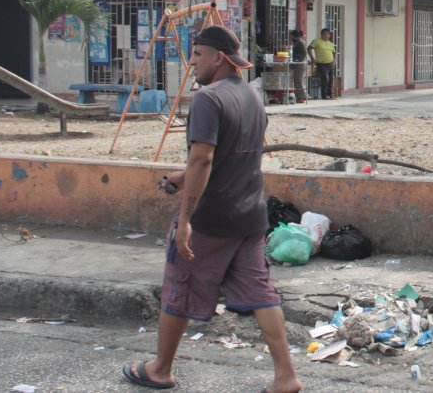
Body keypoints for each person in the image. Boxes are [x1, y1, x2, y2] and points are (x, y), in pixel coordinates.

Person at [123, 26, 300, 393]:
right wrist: (179, 176)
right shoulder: (252, 96)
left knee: (178, 288)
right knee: (261, 294)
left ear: (219, 57)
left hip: (211, 220)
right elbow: (222, 158)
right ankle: (286, 376)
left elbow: (203, 160)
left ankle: (160, 369)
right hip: (251, 215)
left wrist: (185, 220)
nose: (192, 61)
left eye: (198, 54)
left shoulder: (207, 99)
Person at [308, 27, 337, 99]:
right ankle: (324, 95)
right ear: (321, 35)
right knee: (325, 79)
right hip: (322, 64)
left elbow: (334, 53)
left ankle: (330, 94)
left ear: (329, 35)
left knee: (331, 79)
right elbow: (309, 48)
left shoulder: (331, 44)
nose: (326, 35)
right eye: (324, 34)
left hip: (330, 64)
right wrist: (312, 58)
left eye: (327, 34)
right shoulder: (317, 41)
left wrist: (334, 61)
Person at [289, 29, 308, 103]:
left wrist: (298, 60)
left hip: (300, 64)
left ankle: (301, 97)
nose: (291, 38)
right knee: (296, 80)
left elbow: (304, 53)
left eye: (292, 36)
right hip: (297, 64)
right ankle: (299, 97)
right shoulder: (297, 43)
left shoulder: (301, 42)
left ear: (294, 36)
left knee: (298, 80)